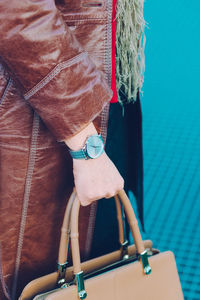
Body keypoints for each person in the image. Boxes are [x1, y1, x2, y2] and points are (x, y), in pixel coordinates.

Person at [0, 0, 145, 299]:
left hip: (100, 94)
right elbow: (20, 10)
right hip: (52, 114)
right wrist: (84, 143)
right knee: (38, 281)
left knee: (102, 269)